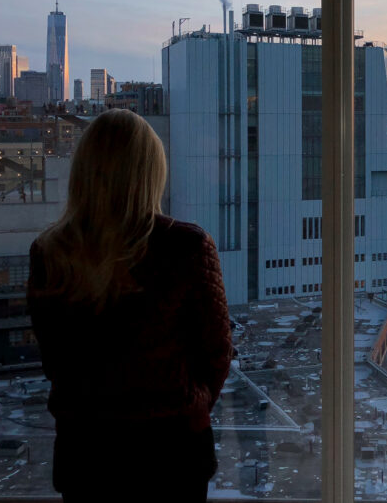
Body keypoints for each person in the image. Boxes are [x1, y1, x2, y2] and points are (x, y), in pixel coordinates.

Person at [28, 109, 231, 501]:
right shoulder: (185, 246)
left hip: (85, 452)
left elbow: (54, 357)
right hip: (172, 453)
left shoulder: (50, 252)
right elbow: (217, 354)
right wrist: (187, 403)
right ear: (150, 172)